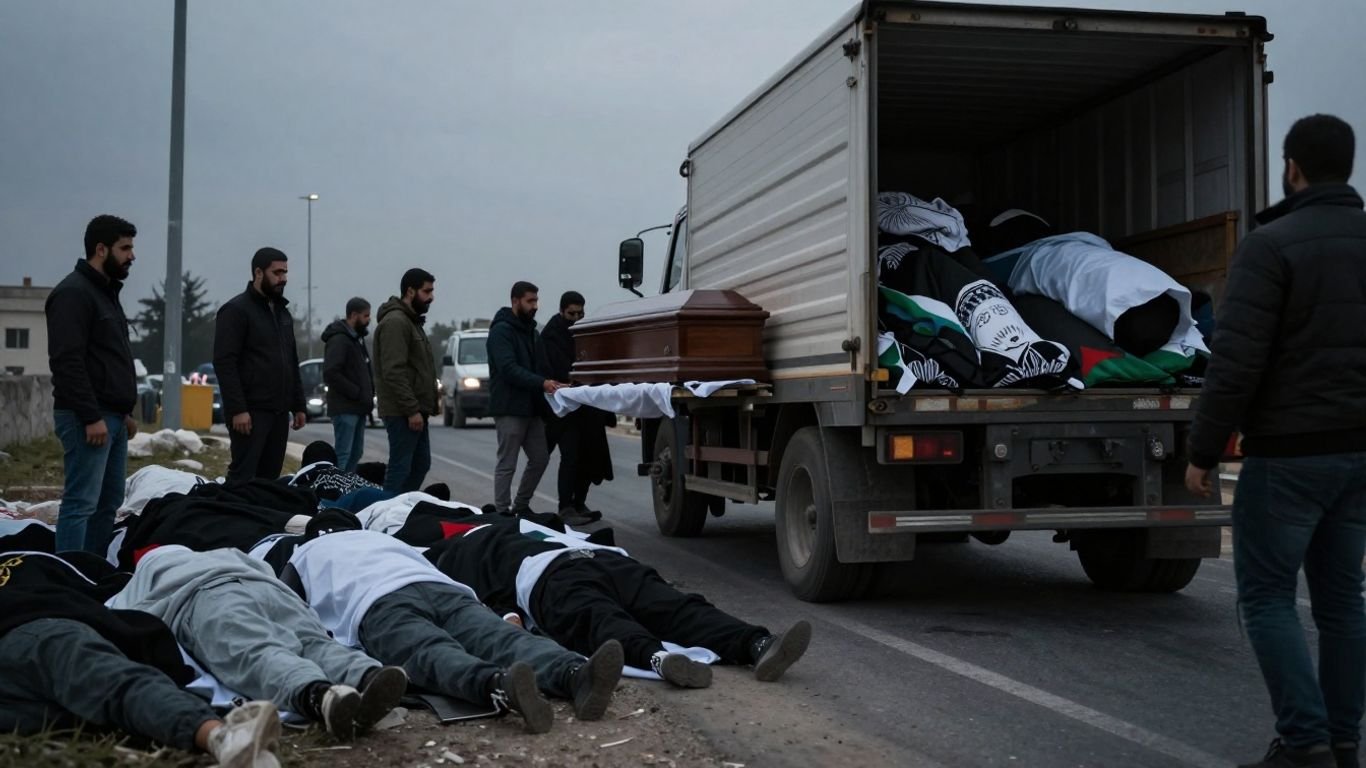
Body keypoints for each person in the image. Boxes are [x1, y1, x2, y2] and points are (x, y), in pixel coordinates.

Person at [1186, 114, 1366, 768]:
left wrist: (1203, 451)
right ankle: (1343, 744)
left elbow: (1236, 362)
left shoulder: (1271, 246)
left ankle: (1304, 743)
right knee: (1344, 602)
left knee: (1265, 597)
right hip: (1357, 456)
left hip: (1288, 456)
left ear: (1292, 168)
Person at [258, 529, 624, 734]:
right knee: (502, 638)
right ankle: (576, 674)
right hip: (440, 588)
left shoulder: (303, 552)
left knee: (431, 652)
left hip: (376, 603)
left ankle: (497, 686)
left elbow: (292, 607)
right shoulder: (384, 539)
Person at [417, 508, 812, 689]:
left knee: (600, 620)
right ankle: (756, 643)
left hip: (551, 578)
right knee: (677, 608)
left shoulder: (458, 548)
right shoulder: (525, 521)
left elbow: (477, 593)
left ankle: (657, 658)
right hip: (604, 560)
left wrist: (506, 615)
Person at [0, 550, 282, 767]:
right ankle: (221, 737)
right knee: (115, 685)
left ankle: (208, 734)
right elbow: (114, 590)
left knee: (79, 709)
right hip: (36, 630)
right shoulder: (32, 559)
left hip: (23, 651)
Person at [109, 545, 408, 741]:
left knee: (257, 652)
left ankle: (320, 697)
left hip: (207, 598)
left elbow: (126, 616)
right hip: (268, 589)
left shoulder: (148, 571)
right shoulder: (224, 552)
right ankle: (367, 675)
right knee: (313, 643)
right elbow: (265, 570)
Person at [45, 215, 140, 554]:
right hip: (88, 418)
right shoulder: (73, 294)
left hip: (111, 417)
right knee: (80, 503)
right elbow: (67, 361)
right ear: (101, 249)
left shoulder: (105, 294)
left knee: (108, 502)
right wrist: (90, 416)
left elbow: (110, 360)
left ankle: (92, 574)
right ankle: (69, 579)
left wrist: (124, 412)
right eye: (124, 248)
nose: (131, 255)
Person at [213, 247, 307, 485]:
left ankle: (261, 521)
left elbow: (291, 361)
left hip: (279, 412)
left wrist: (298, 405)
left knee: (269, 481)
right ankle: (233, 521)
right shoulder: (235, 311)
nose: (283, 278)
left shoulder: (283, 314)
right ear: (258, 273)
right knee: (243, 478)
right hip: (250, 413)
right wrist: (237, 410)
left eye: (285, 272)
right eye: (277, 272)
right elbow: (225, 363)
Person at [541, 291, 613, 525]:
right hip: (565, 408)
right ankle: (566, 506)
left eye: (580, 313)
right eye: (571, 313)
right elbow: (552, 369)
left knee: (590, 456)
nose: (576, 318)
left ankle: (579, 502)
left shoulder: (584, 333)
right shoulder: (551, 336)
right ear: (562, 311)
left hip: (588, 405)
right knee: (570, 455)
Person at [488, 281, 559, 515]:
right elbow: (508, 369)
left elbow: (540, 365)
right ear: (515, 301)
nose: (535, 306)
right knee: (507, 463)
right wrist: (541, 383)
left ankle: (521, 505)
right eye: (530, 301)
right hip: (510, 407)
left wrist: (555, 383)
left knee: (540, 458)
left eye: (536, 301)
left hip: (532, 408)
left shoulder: (532, 332)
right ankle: (502, 511)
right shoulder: (501, 331)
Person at [374, 269, 438, 494]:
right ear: (410, 291)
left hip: (415, 410)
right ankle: (385, 513)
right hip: (402, 411)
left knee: (420, 465)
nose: (431, 296)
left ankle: (400, 509)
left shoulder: (411, 322)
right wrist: (411, 409)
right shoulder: (396, 322)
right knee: (401, 468)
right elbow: (393, 371)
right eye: (426, 291)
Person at [322, 297, 375, 472]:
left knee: (356, 453)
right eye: (366, 316)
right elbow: (331, 372)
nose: (369, 320)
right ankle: (335, 493)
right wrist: (356, 392)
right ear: (354, 315)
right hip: (345, 408)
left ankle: (347, 489)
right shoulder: (339, 340)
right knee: (343, 454)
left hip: (357, 407)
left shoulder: (356, 339)